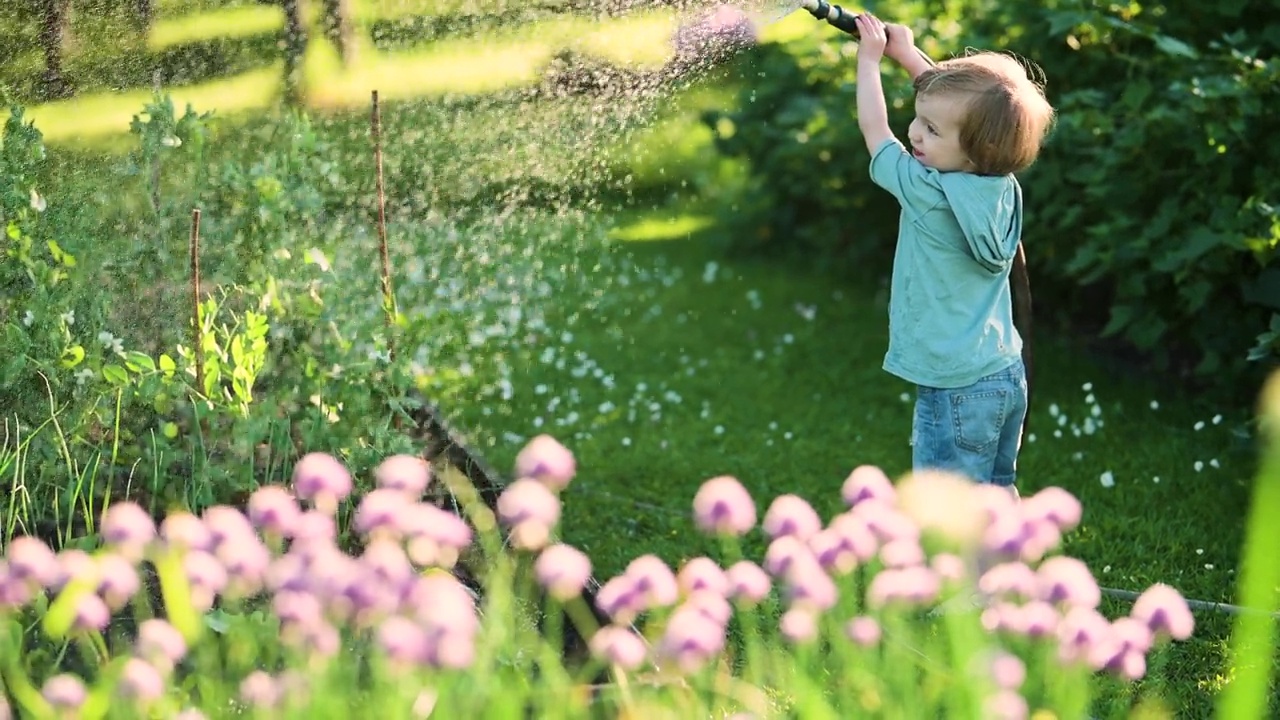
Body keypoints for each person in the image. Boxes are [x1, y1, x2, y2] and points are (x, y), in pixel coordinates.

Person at [851, 14, 1056, 493]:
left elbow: (876, 132)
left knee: (950, 513)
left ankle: (960, 572)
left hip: (954, 386)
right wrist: (907, 55)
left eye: (930, 131)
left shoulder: (930, 193)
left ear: (976, 147)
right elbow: (960, 110)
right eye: (919, 121)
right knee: (995, 492)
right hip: (1002, 374)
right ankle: (1009, 566)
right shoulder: (1001, 185)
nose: (916, 134)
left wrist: (869, 61)